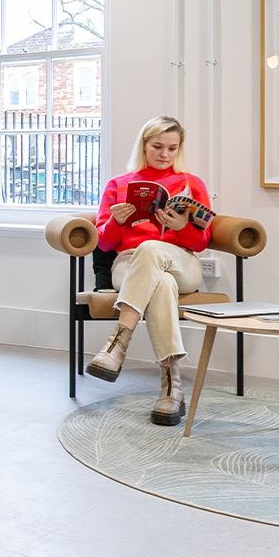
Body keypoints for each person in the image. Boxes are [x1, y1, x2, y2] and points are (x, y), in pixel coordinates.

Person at [85, 116, 212, 426]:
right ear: (144, 145)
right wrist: (117, 221)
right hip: (130, 264)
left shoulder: (192, 184)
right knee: (162, 283)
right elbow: (104, 242)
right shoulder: (118, 184)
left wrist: (182, 227)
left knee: (153, 249)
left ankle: (117, 345)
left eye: (172, 148)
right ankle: (171, 388)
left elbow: (202, 241)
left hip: (181, 262)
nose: (165, 154)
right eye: (157, 146)